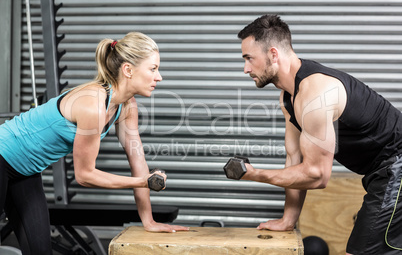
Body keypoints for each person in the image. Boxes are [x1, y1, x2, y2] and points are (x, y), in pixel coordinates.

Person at [0, 32, 189, 254]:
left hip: (26, 171)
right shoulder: (92, 104)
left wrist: (148, 220)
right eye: (153, 69)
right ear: (128, 70)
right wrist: (141, 182)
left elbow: (138, 162)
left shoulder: (126, 107)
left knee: (40, 250)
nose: (159, 77)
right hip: (3, 155)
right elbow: (84, 175)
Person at [236, 14, 402, 254]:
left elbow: (317, 175)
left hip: (396, 166)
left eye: (249, 59)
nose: (245, 69)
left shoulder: (315, 92)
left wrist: (256, 174)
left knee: (361, 250)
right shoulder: (289, 97)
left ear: (273, 54)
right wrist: (288, 220)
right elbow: (296, 161)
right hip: (383, 172)